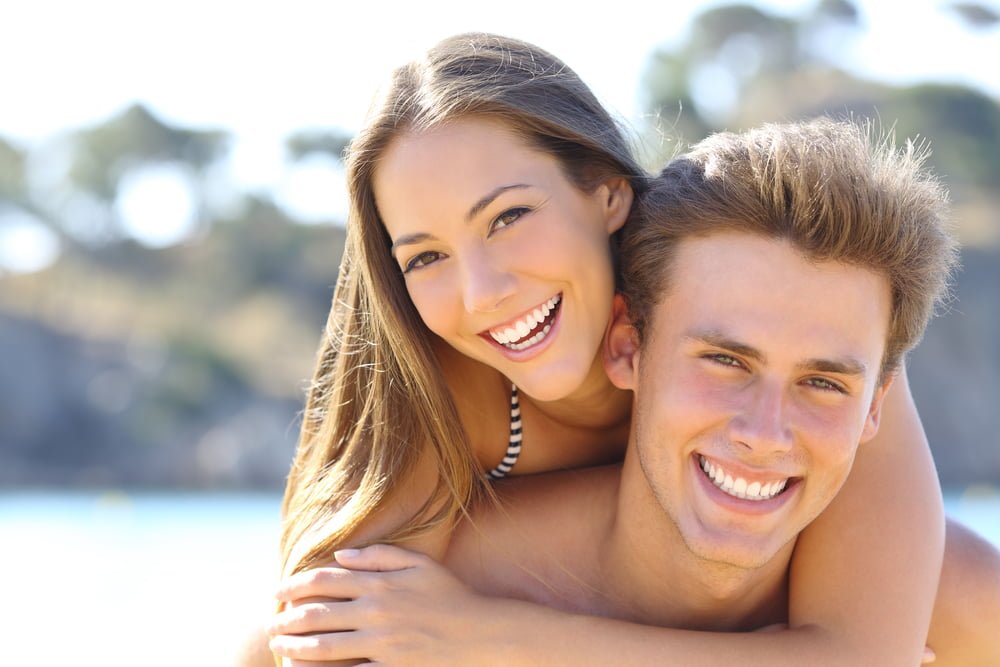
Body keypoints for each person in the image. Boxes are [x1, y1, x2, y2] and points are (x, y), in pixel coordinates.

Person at [239, 34, 999, 666]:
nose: (482, 293)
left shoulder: (766, 303)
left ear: (607, 192)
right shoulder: (442, 385)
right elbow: (325, 629)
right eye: (426, 257)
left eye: (507, 217)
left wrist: (487, 635)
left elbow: (859, 656)